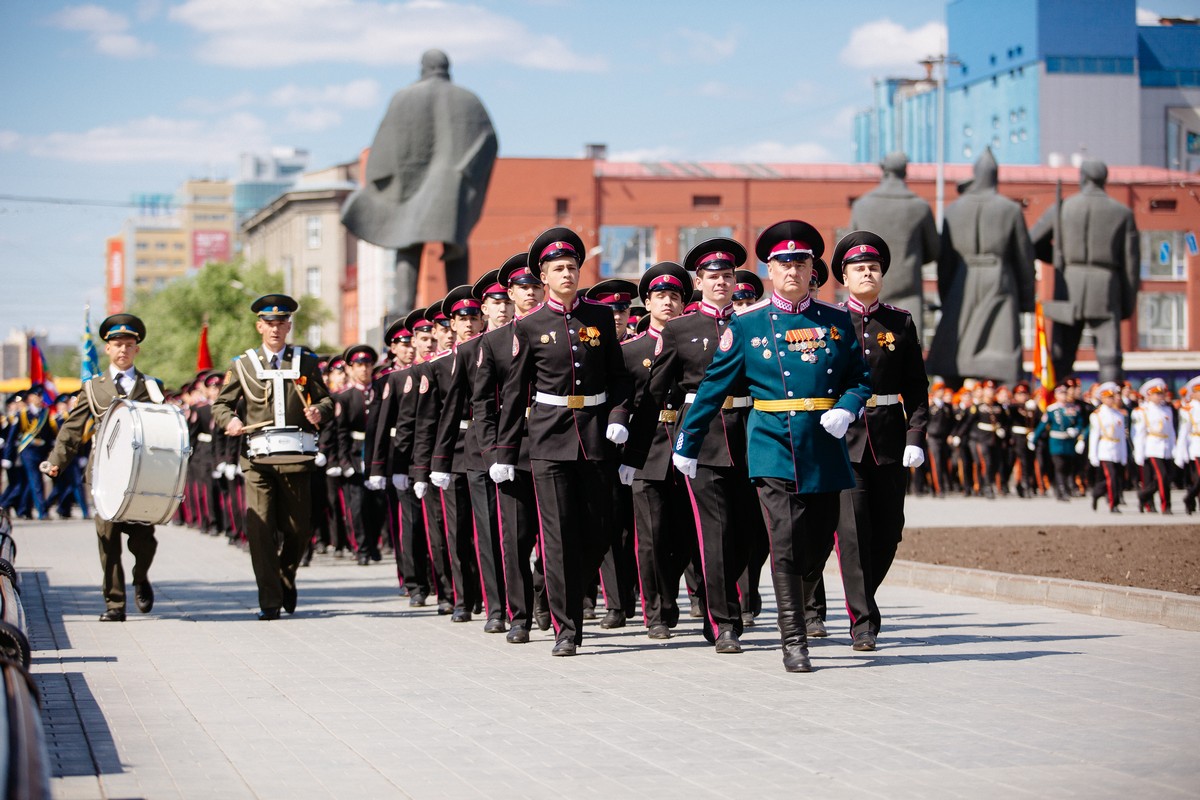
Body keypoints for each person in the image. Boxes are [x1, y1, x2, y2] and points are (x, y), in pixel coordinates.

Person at [672, 220, 872, 673]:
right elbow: (712, 387)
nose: (792, 270)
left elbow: (860, 378)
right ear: (769, 270)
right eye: (783, 263)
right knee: (783, 540)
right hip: (772, 442)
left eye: (800, 262)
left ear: (813, 270)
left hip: (824, 443)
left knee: (816, 544)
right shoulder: (748, 323)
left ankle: (799, 604)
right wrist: (688, 440)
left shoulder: (837, 321)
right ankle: (793, 640)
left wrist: (849, 406)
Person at [492, 227, 633, 657]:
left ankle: (547, 585)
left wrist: (618, 416)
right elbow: (515, 393)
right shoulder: (530, 326)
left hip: (594, 435)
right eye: (558, 269)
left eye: (572, 267)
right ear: (544, 277)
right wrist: (504, 451)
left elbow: (618, 377)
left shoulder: (599, 317)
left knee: (599, 529)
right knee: (558, 537)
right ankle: (566, 628)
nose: (568, 274)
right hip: (550, 439)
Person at [627, 237, 764, 654]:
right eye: (713, 277)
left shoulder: (754, 322)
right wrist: (634, 455)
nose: (722, 283)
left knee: (753, 535)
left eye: (728, 276)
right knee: (716, 533)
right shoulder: (680, 329)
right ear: (699, 282)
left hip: (750, 434)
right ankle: (722, 621)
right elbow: (654, 394)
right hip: (702, 440)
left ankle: (735, 603)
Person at [804, 231, 929, 651]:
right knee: (852, 534)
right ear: (843, 276)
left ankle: (863, 598)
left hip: (890, 438)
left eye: (874, 267)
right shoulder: (829, 321)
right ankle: (863, 621)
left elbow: (917, 386)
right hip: (845, 441)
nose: (868, 273)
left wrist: (916, 433)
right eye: (859, 268)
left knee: (889, 531)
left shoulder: (900, 321)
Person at [340, 49, 498, 318]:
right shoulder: (468, 99)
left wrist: (381, 185)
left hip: (411, 187)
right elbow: (489, 141)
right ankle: (462, 301)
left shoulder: (404, 98)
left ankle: (403, 309)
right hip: (452, 185)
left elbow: (383, 146)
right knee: (456, 244)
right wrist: (467, 175)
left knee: (408, 244)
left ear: (423, 67)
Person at [212, 295, 333, 620]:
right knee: (261, 528)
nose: (275, 328)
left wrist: (318, 412)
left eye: (281, 323)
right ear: (259, 326)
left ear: (289, 326)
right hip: (257, 461)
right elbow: (221, 405)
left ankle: (285, 576)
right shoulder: (243, 364)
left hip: (297, 457)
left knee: (299, 529)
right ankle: (269, 598)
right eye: (269, 323)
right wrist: (231, 421)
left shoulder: (305, 362)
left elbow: (328, 401)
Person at [42, 314, 162, 621]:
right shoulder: (93, 388)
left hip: (139, 477)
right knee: (108, 541)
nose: (123, 349)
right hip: (105, 477)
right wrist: (56, 461)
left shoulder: (152, 386)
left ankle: (141, 575)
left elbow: (164, 428)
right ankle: (114, 603)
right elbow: (72, 428)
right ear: (107, 349)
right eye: (117, 344)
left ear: (137, 349)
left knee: (143, 541)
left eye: (129, 344)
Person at [473, 254, 549, 643]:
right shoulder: (496, 341)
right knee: (516, 537)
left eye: (536, 285)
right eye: (523, 287)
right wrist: (492, 454)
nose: (531, 292)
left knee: (557, 536)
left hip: (556, 445)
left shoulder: (560, 330)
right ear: (511, 294)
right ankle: (518, 615)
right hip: (512, 450)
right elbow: (484, 404)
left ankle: (544, 591)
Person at [618, 261, 694, 639]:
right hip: (645, 449)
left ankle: (669, 591)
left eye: (675, 296)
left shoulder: (694, 343)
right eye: (660, 295)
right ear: (647, 302)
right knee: (650, 536)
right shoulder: (632, 350)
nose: (668, 302)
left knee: (684, 536)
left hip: (685, 444)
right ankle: (656, 612)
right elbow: (623, 399)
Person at [927, 147, 1036, 386]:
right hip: (999, 280)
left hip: (961, 283)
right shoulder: (1010, 209)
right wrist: (1026, 299)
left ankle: (951, 391)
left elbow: (944, 262)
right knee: (1003, 350)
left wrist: (947, 297)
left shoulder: (954, 210)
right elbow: (1024, 259)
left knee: (955, 353)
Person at [1030, 160, 1140, 382]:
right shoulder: (1122, 213)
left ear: (1083, 177)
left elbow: (1030, 242)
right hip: (1105, 286)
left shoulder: (1062, 208)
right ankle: (1109, 398)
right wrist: (1127, 304)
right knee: (1110, 356)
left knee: (1061, 355)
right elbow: (1131, 265)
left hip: (1070, 282)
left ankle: (1057, 397)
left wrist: (1058, 258)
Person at [849, 151, 940, 324]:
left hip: (868, 287)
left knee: (868, 343)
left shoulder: (861, 206)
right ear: (905, 172)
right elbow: (934, 251)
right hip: (909, 288)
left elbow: (849, 250)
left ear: (883, 170)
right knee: (909, 343)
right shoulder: (920, 207)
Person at [1131, 378, 1176, 514]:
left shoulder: (1167, 410)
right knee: (1160, 476)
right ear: (1148, 395)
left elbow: (1171, 431)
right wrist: (1139, 453)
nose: (1160, 396)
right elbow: (1138, 434)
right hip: (1151, 447)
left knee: (1167, 477)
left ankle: (1144, 496)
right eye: (1157, 393)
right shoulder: (1141, 411)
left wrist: (1175, 448)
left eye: (1161, 393)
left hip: (1166, 447)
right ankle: (1165, 506)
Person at [1088, 382, 1127, 513]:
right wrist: (1092, 455)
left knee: (1115, 478)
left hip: (1116, 449)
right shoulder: (1097, 415)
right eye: (1108, 397)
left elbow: (1121, 437)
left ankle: (1096, 493)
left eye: (1113, 396)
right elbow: (1094, 436)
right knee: (1112, 476)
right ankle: (1113, 504)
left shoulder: (1119, 414)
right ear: (1103, 398)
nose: (1112, 399)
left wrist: (1124, 454)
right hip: (1104, 450)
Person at [1175, 377, 1200, 515]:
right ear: (1193, 393)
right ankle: (1189, 497)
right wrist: (1180, 452)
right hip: (1196, 447)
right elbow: (1183, 432)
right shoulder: (1188, 410)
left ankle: (1190, 499)